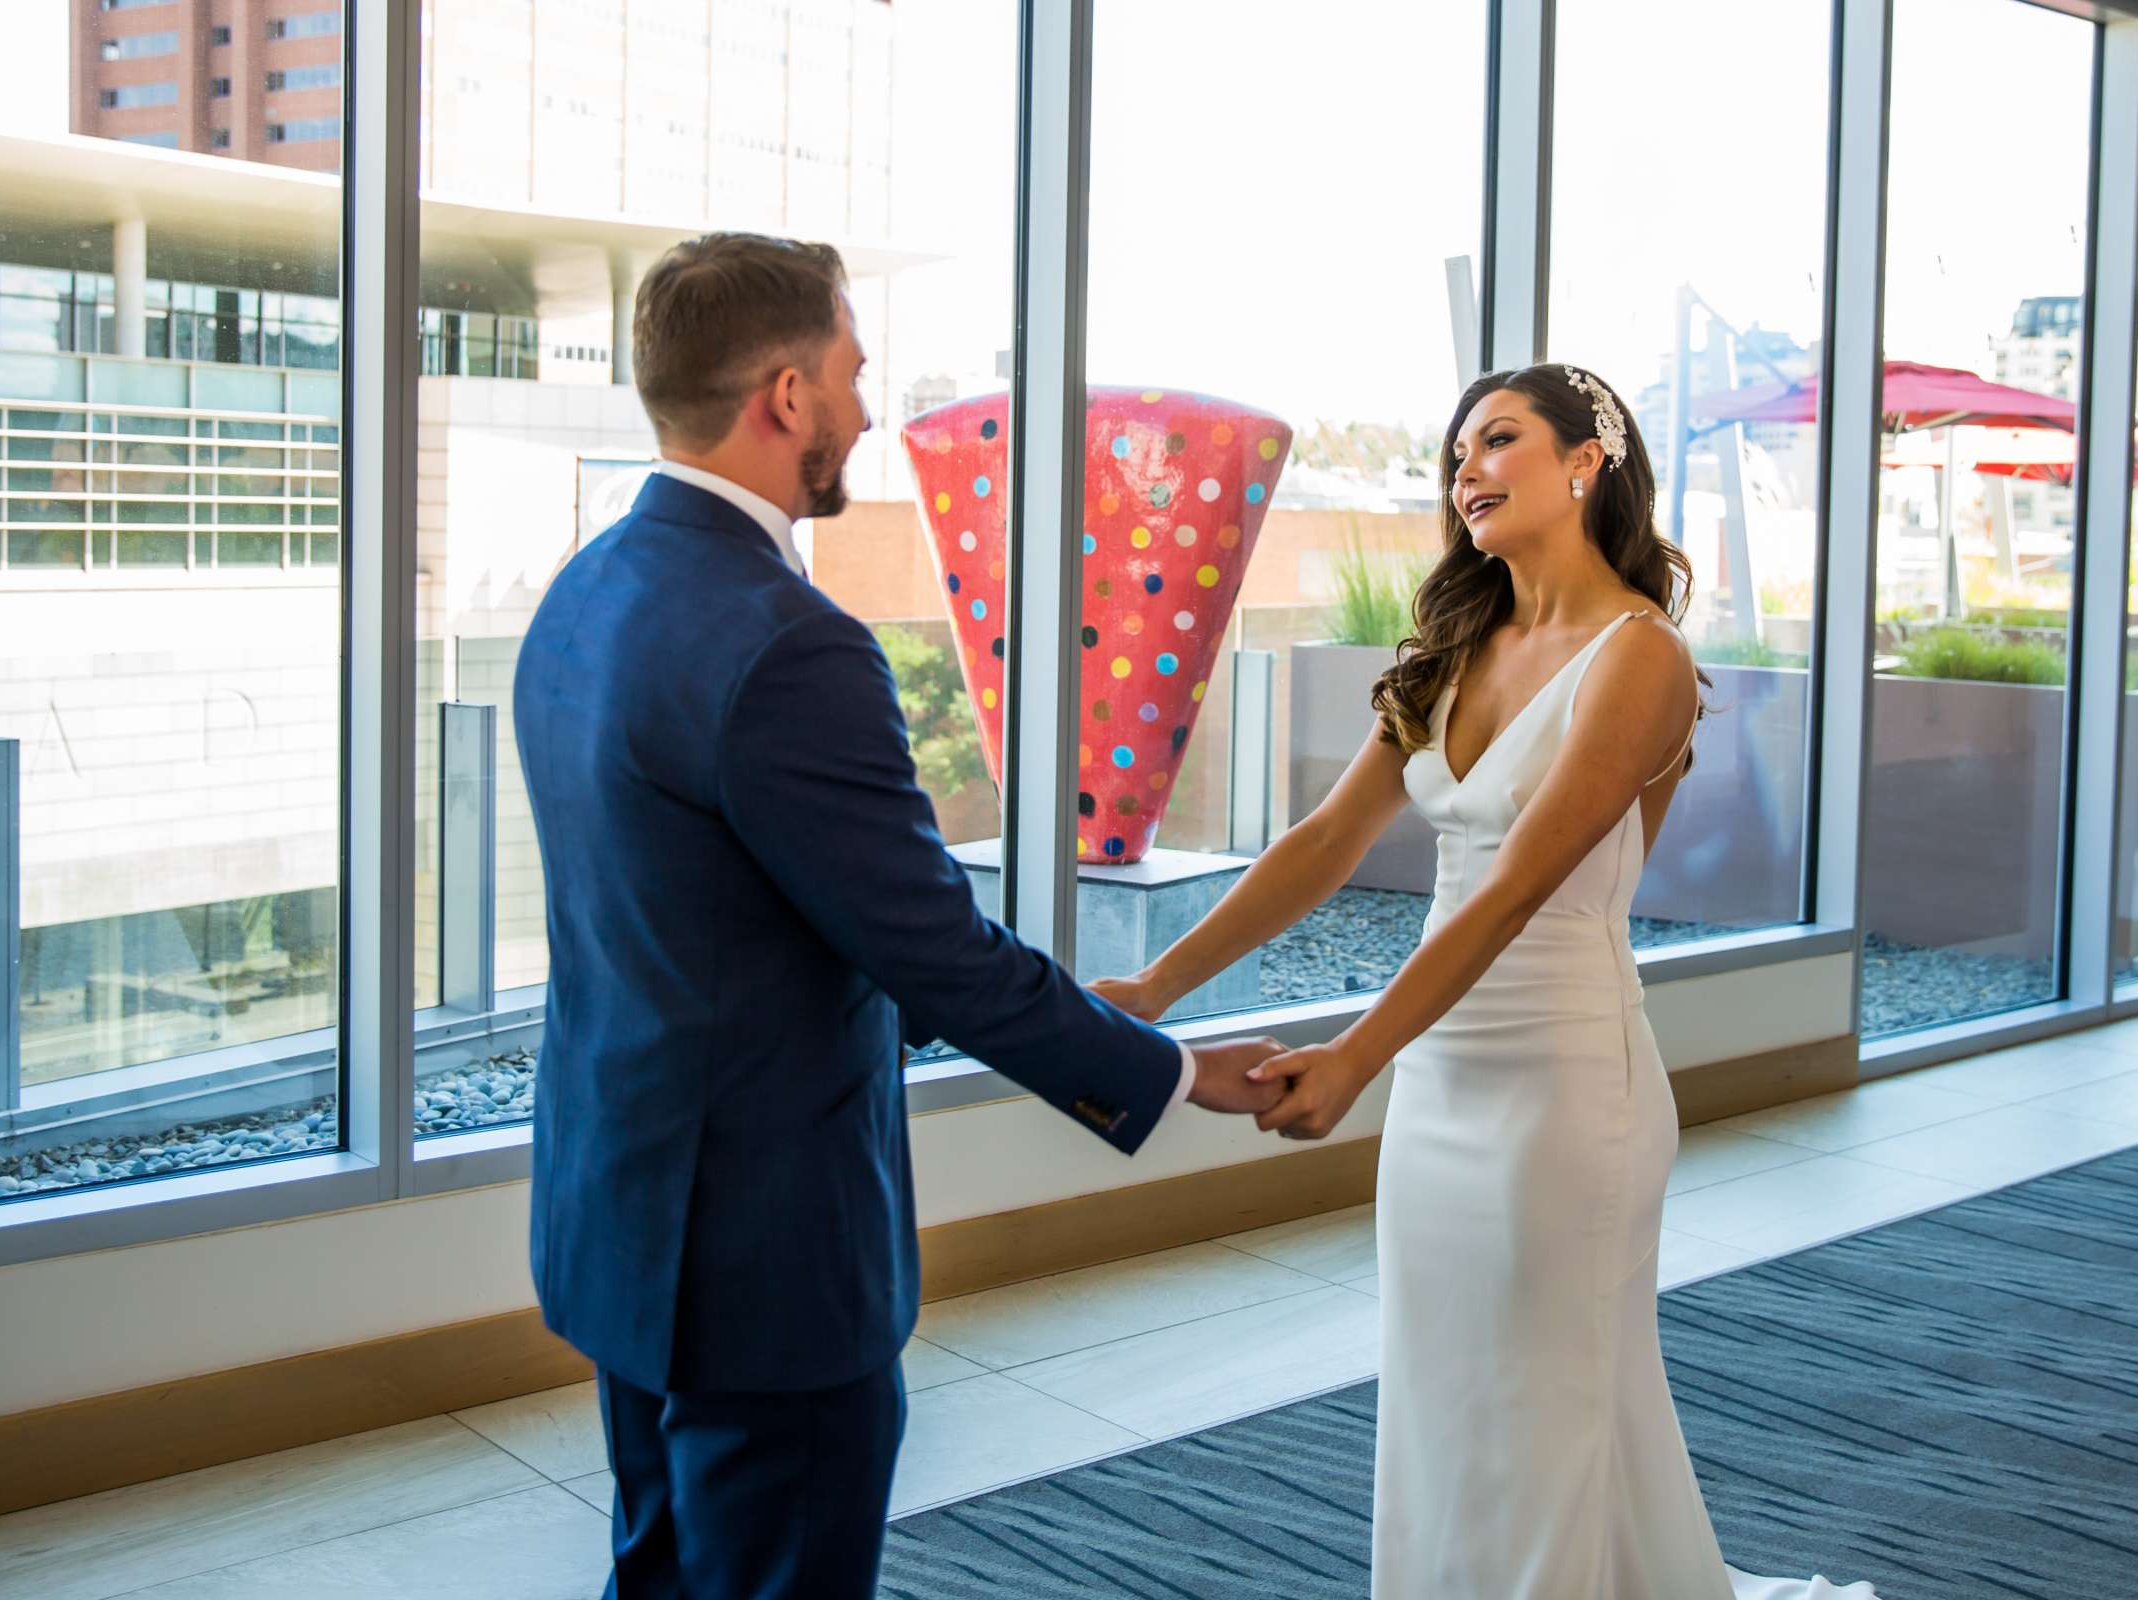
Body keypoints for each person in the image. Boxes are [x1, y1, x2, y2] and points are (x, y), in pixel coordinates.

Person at [512, 231, 1289, 1600]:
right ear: (787, 397)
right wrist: (1169, 1072)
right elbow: (931, 948)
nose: (869, 409)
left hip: (619, 1215)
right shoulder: (788, 642)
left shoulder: (584, 595)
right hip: (762, 1261)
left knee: (662, 1568)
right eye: (853, 373)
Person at [1092, 364, 1877, 1598]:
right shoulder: (1459, 645)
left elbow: (1512, 888)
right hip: (1447, 1090)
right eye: (1455, 453)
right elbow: (1321, 844)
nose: (1465, 470)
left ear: (1585, 462)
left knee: (1546, 1406)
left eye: (1497, 440)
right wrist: (1153, 986)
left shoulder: (1640, 656)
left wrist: (1357, 1053)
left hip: (1567, 1090)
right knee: (1454, 1397)